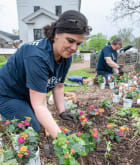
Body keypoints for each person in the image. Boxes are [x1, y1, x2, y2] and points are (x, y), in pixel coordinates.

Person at [0, 10, 91, 139]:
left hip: (27, 95)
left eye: (78, 43)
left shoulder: (66, 57)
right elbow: (40, 105)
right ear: (57, 34)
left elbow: (58, 86)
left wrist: (62, 111)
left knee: (39, 119)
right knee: (32, 128)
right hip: (7, 94)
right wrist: (63, 141)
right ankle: (7, 121)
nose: (74, 48)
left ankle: (20, 111)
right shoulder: (36, 56)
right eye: (70, 40)